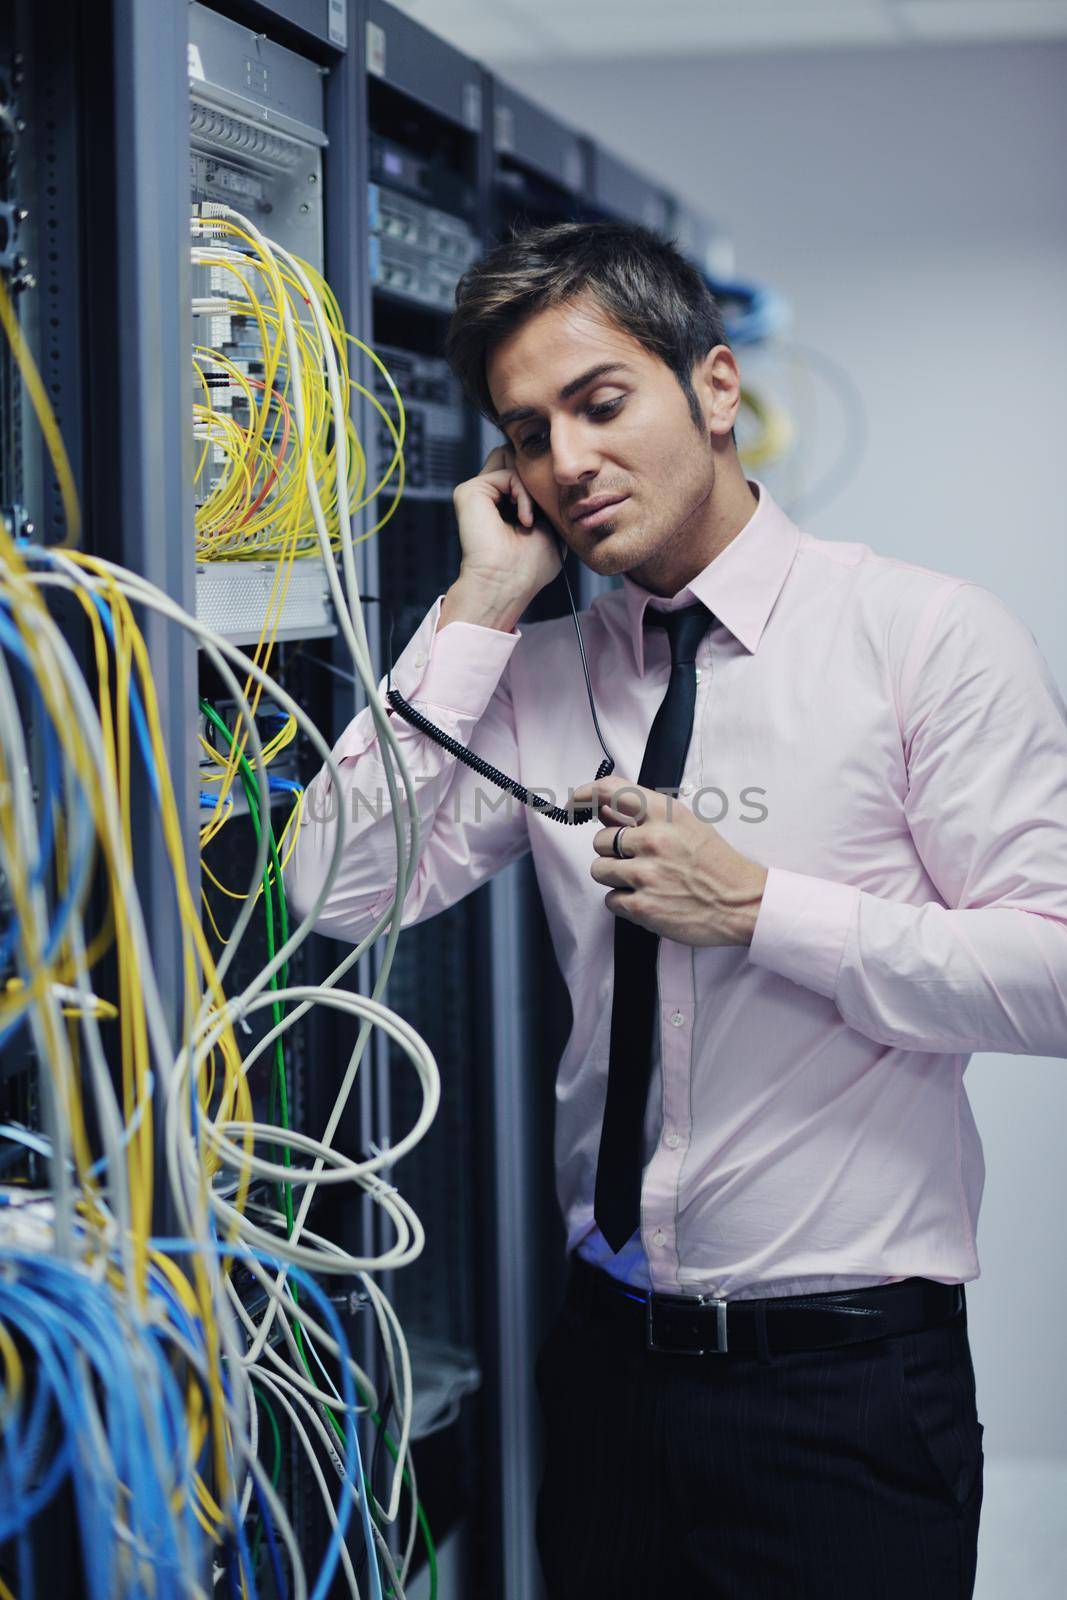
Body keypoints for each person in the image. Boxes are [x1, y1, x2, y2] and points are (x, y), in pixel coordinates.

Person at [286, 221, 1067, 1598]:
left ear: (712, 388)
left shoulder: (922, 640)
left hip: (847, 1389)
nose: (568, 463)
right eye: (527, 434)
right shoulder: (528, 676)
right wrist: (476, 604)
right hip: (607, 1379)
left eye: (600, 404)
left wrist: (766, 909)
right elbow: (337, 891)